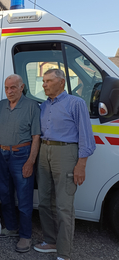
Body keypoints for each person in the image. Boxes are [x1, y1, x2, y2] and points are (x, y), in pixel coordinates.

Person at [33, 69, 96, 260]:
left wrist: (81, 164)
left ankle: (64, 252)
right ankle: (50, 241)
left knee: (64, 204)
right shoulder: (43, 106)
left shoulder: (76, 103)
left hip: (66, 152)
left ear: (61, 82)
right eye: (43, 81)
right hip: (44, 151)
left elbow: (86, 136)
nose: (44, 84)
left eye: (48, 81)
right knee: (44, 201)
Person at [0, 74, 41, 252]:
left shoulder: (31, 106)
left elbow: (36, 136)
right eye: (7, 88)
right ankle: (12, 227)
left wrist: (31, 161)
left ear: (22, 87)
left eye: (13, 87)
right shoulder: (0, 105)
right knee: (5, 195)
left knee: (24, 198)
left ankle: (25, 235)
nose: (9, 91)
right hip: (2, 154)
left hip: (22, 155)